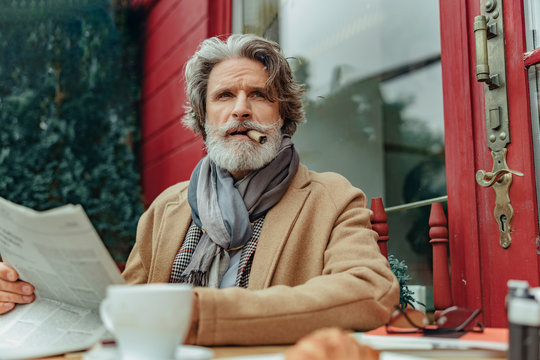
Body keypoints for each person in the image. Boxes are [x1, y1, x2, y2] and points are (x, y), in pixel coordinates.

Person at [0, 34, 399, 346]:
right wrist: (24, 292)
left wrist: (201, 314)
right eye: (224, 95)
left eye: (258, 95)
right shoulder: (165, 209)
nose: (241, 109)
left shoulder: (331, 197)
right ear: (204, 116)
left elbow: (370, 291)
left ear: (283, 114)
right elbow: (121, 311)